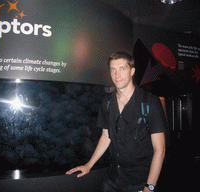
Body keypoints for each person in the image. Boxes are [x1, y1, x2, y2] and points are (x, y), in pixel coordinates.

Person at [66, 51, 166, 192]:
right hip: (113, 179)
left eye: (122, 69)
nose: (117, 75)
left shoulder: (149, 102)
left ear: (132, 71)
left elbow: (160, 149)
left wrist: (149, 187)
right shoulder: (107, 102)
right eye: (113, 70)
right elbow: (106, 137)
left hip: (140, 181)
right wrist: (89, 165)